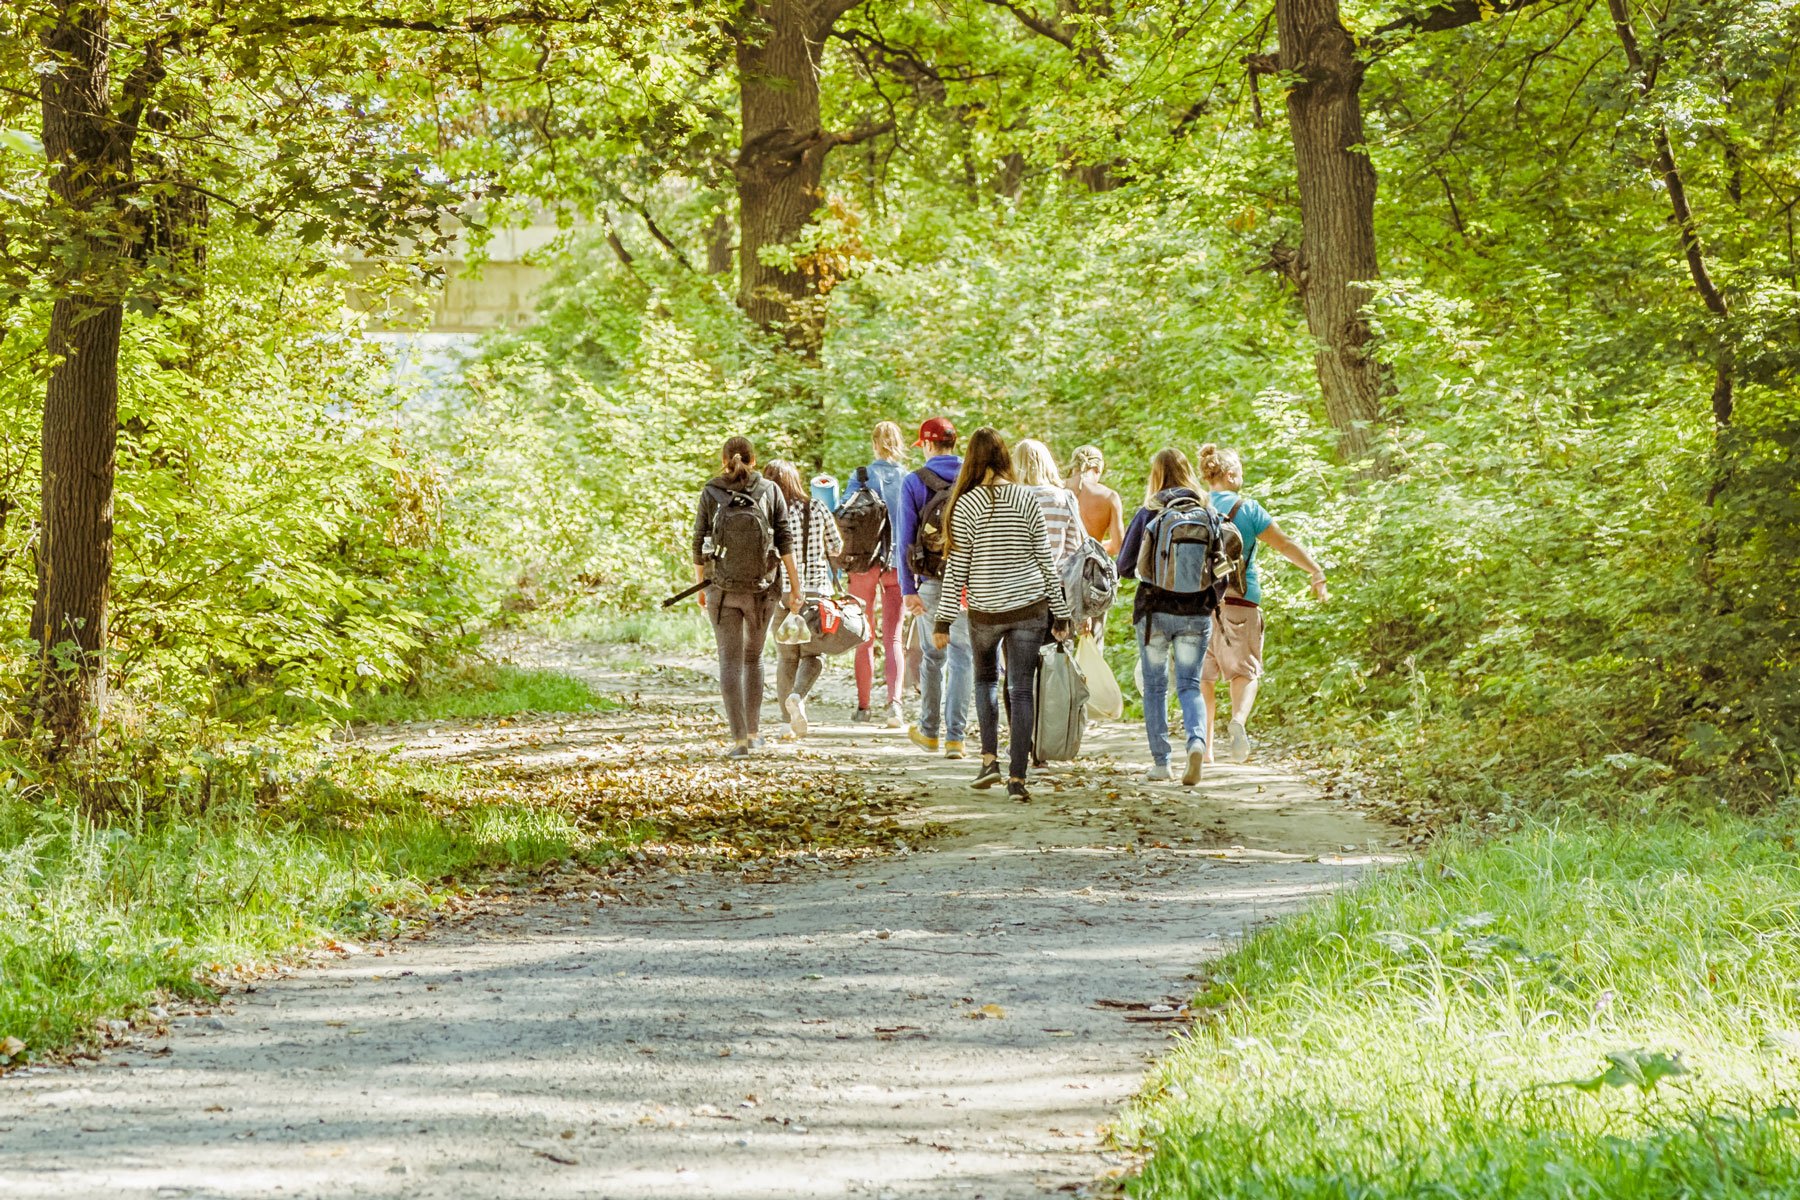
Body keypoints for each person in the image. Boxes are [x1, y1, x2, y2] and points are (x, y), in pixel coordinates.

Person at [932, 427, 1074, 802]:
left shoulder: (965, 504)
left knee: (985, 683)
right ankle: (1017, 778)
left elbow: (957, 567)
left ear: (972, 460)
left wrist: (943, 619)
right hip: (1030, 607)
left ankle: (989, 760)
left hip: (985, 611)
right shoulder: (1026, 498)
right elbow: (1045, 558)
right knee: (1021, 689)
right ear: (1004, 457)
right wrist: (1061, 613)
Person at [1196, 442, 1329, 764]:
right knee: (1245, 671)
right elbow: (1284, 544)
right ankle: (1238, 722)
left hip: (1198, 602)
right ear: (1229, 475)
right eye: (1239, 473)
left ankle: (1205, 747)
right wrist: (1315, 571)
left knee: (1203, 677)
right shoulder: (1249, 509)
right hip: (1242, 599)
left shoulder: (1195, 507)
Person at [691, 436, 803, 758]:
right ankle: (754, 733)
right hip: (762, 589)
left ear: (723, 459)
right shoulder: (770, 490)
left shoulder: (711, 491)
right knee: (753, 659)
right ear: (753, 461)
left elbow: (698, 542)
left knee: (729, 661)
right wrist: (795, 589)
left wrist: (701, 587)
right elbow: (785, 543)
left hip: (722, 590)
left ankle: (739, 740)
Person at [1115, 447, 1218, 786]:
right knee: (1190, 684)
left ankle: (1162, 763)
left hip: (1155, 611)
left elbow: (1125, 567)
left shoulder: (1151, 511)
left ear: (1155, 475)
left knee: (1156, 687)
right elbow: (1223, 569)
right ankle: (1197, 742)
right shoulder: (1207, 511)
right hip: (1197, 612)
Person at [898, 416, 974, 759]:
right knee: (963, 656)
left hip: (929, 580)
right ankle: (956, 738)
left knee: (933, 656)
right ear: (954, 443)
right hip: (969, 583)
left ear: (927, 445)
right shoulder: (973, 479)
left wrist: (907, 588)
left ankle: (929, 731)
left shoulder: (914, 481)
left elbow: (903, 541)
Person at [764, 459, 843, 740]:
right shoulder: (817, 507)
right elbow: (836, 547)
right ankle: (798, 695)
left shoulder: (771, 512)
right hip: (816, 593)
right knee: (813, 655)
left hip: (783, 592)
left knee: (786, 658)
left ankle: (786, 724)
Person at [839, 421, 908, 728]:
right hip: (897, 564)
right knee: (893, 637)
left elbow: (842, 512)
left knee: (863, 634)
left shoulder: (861, 476)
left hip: (863, 563)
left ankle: (863, 707)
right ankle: (894, 706)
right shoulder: (908, 478)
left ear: (875, 444)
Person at [1012, 439, 1085, 564]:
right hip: (1059, 580)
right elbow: (1074, 548)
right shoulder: (1066, 497)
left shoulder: (1010, 497)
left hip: (1020, 580)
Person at [1067, 445, 1125, 556]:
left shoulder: (1055, 489)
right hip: (1089, 568)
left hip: (1057, 567)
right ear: (1098, 468)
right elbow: (1118, 546)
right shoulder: (1109, 496)